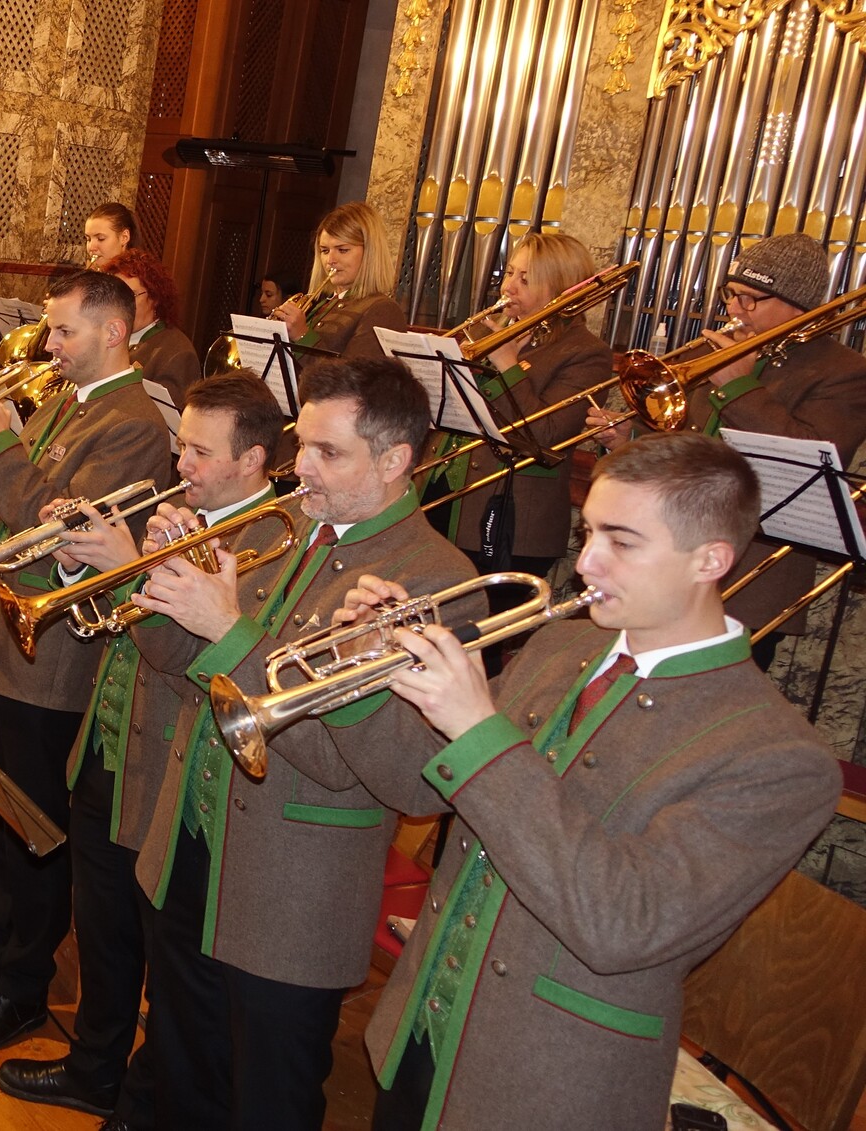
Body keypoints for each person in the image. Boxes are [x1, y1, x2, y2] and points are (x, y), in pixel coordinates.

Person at [322, 432, 840, 1131]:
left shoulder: (778, 755)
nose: (587, 560)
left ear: (710, 559)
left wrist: (478, 733)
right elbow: (416, 789)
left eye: (621, 541)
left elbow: (622, 921)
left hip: (552, 1084)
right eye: (588, 530)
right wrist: (363, 675)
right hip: (419, 1030)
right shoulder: (565, 645)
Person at [121, 358, 481, 1130]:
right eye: (302, 445)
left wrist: (229, 628)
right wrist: (157, 584)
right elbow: (179, 666)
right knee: (182, 1071)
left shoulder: (435, 577)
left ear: (394, 461)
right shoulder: (280, 530)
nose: (301, 468)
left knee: (268, 1099)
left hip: (295, 888)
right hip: (190, 843)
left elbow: (396, 779)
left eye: (328, 452)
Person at [0, 373, 290, 1124]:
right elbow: (108, 621)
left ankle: (138, 1087)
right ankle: (95, 1065)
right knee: (102, 929)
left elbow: (187, 660)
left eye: (197, 450)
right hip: (107, 744)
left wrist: (136, 563)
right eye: (180, 444)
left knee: (160, 953)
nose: (180, 463)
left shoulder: (271, 541)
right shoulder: (181, 511)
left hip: (166, 765)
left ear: (253, 459)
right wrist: (79, 562)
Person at [0, 269, 172, 1052]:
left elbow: (52, 530)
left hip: (50, 663)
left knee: (33, 831)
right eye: (51, 331)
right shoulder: (65, 400)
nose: (48, 344)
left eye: (64, 331)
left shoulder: (131, 425)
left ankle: (23, 984)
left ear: (114, 332)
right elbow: (3, 500)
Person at [589, 232, 866, 666]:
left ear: (797, 305)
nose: (734, 309)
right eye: (731, 294)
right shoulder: (716, 349)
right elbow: (694, 442)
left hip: (752, 572)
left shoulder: (843, 372)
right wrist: (631, 440)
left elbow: (814, 453)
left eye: (751, 298)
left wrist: (738, 386)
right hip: (670, 556)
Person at [428, 233, 612, 589]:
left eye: (525, 278)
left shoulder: (586, 352)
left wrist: (508, 364)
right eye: (509, 273)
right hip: (442, 493)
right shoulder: (489, 330)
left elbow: (545, 437)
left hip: (509, 519)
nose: (508, 286)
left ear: (561, 288)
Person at [272, 202, 406, 360]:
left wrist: (302, 335)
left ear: (370, 253)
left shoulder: (382, 309)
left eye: (342, 250)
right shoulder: (323, 305)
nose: (330, 260)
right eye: (324, 250)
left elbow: (353, 379)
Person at [102, 248, 202, 401]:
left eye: (130, 296)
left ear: (155, 297)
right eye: (115, 296)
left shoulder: (177, 353)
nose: (121, 305)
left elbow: (167, 420)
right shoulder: (105, 337)